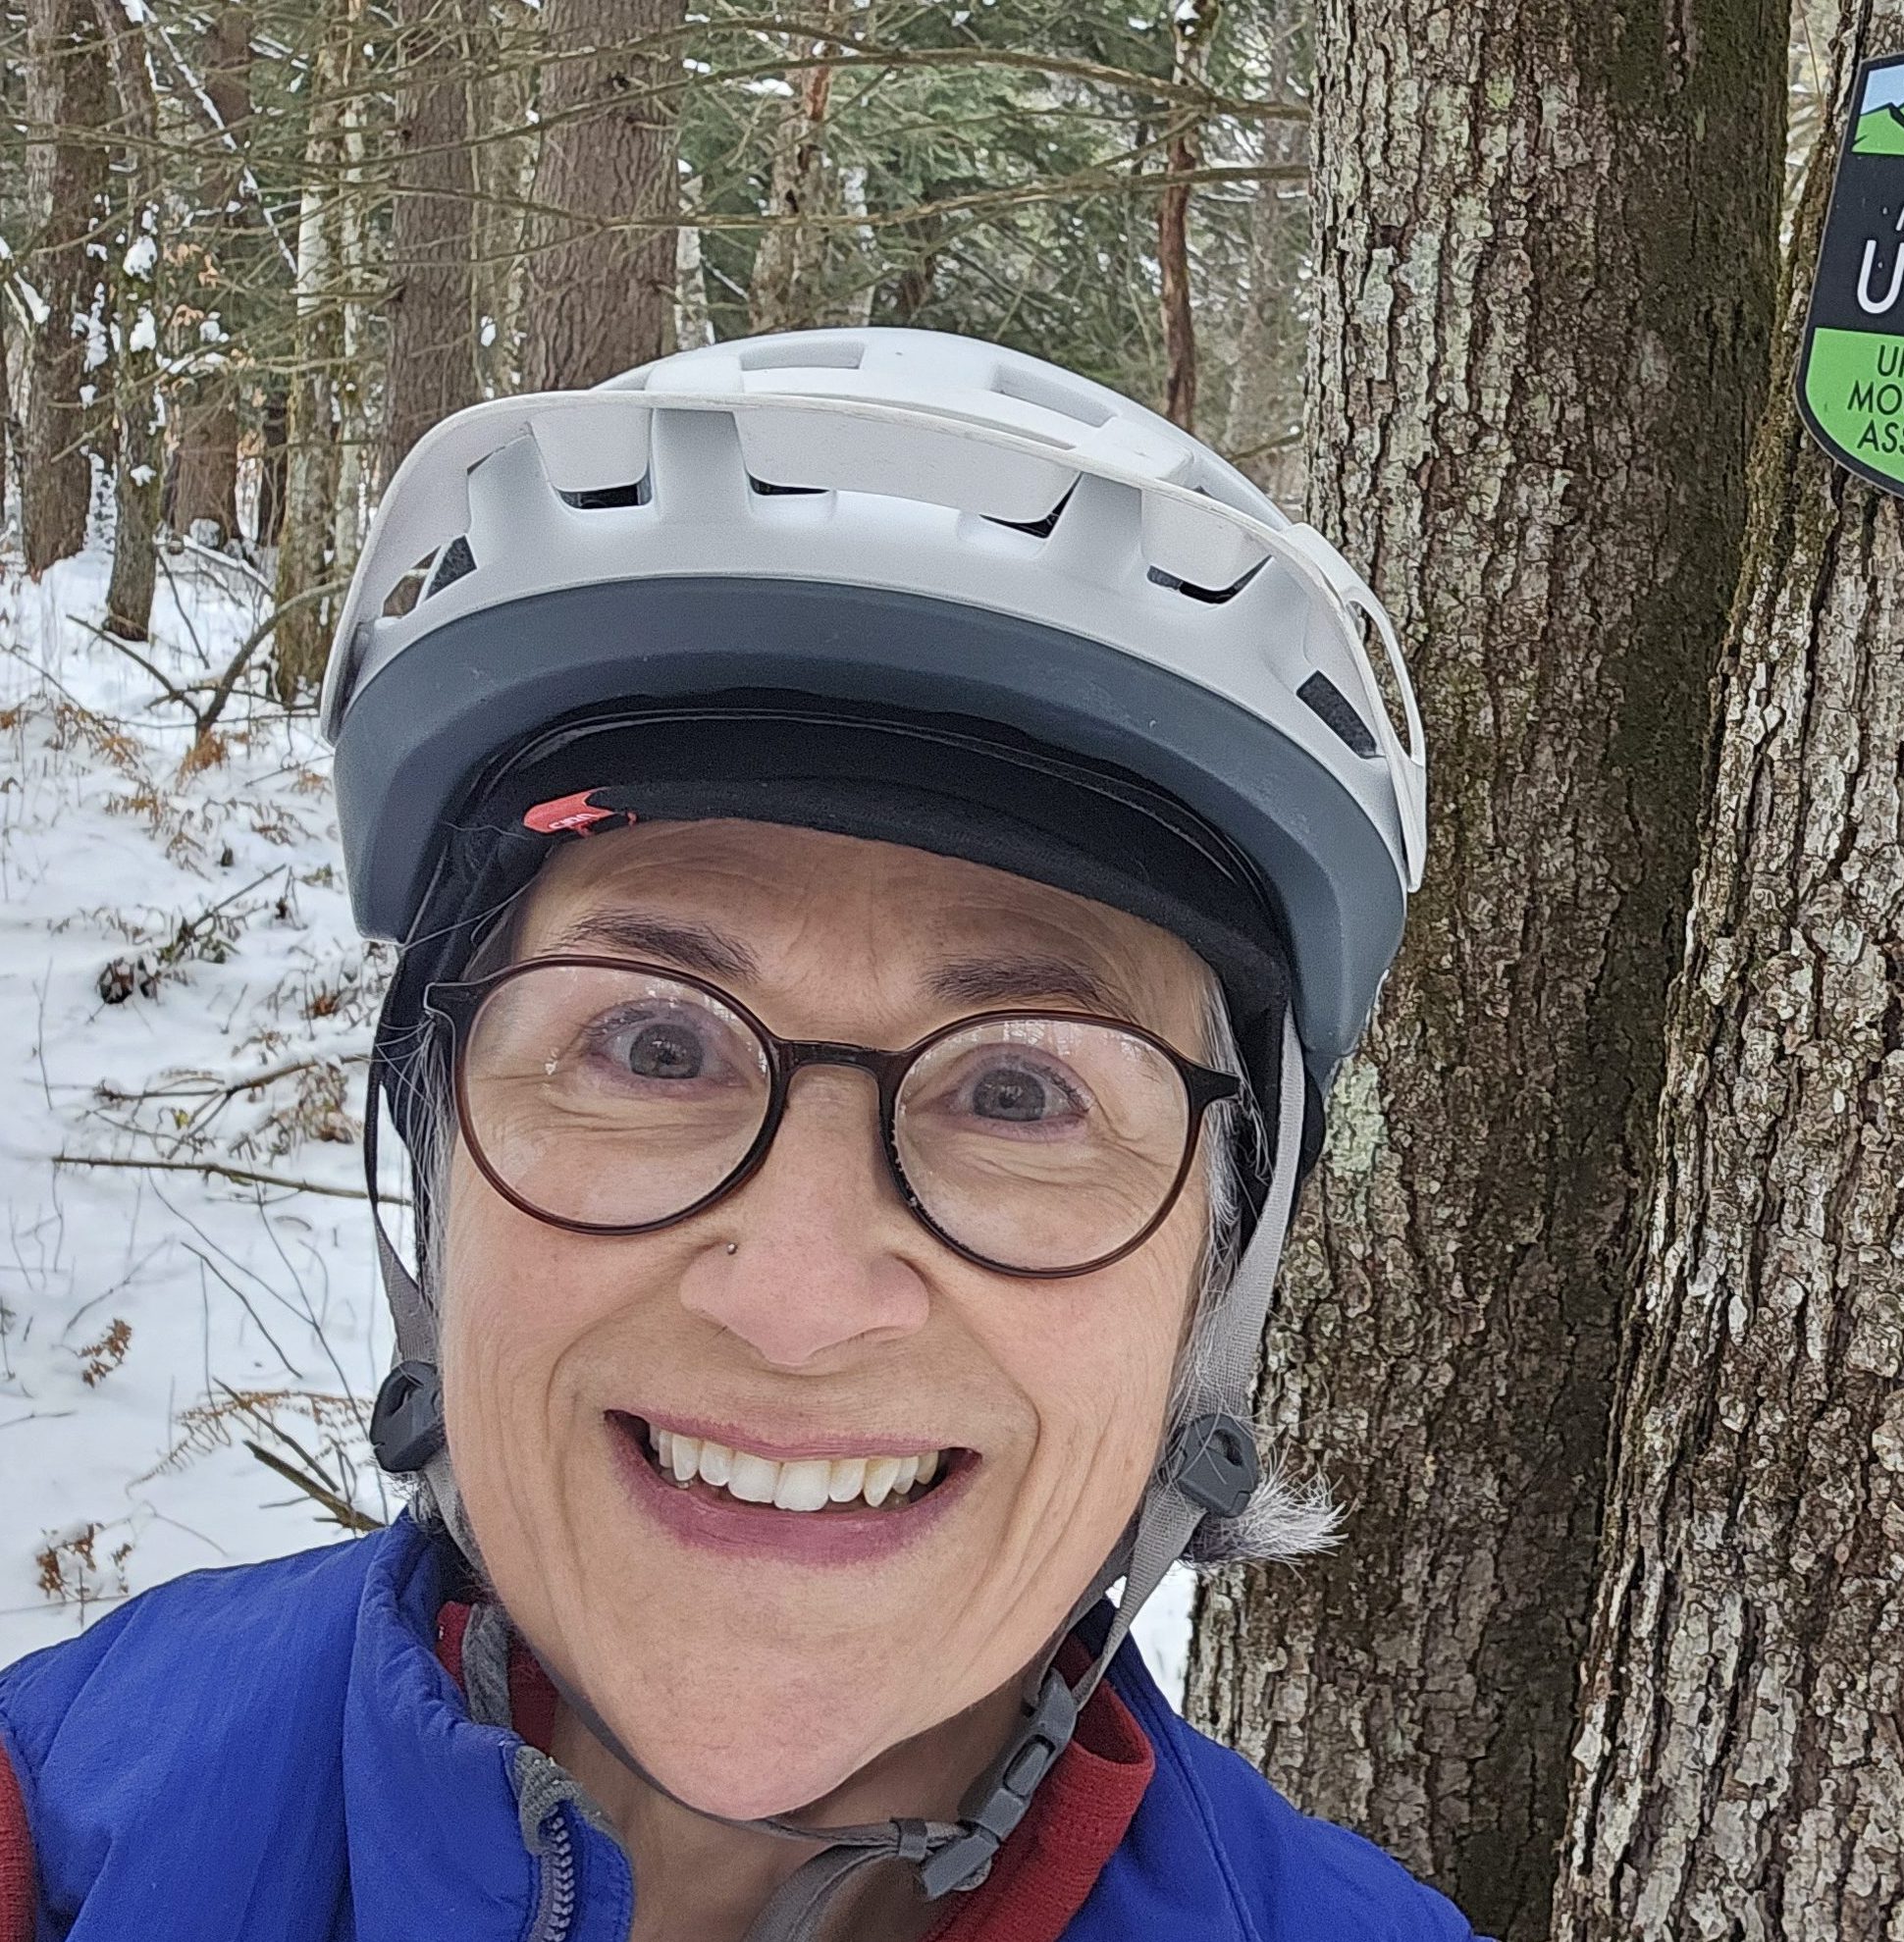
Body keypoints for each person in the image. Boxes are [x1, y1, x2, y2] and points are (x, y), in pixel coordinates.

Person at [0, 329, 1470, 1942]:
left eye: (1022, 1091)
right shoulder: (53, 1832)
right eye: (649, 1042)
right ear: (434, 1172)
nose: (797, 1293)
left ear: (1216, 1283)